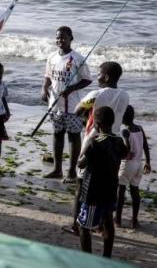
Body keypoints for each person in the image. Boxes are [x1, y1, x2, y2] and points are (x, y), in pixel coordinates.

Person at [65, 61, 129, 235]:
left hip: (94, 139)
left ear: (106, 76)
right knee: (107, 181)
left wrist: (89, 114)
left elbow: (77, 110)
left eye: (99, 73)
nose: (97, 76)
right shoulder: (125, 95)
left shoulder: (96, 94)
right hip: (114, 141)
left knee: (82, 184)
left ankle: (77, 225)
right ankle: (102, 223)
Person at [41, 26, 92, 180]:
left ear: (71, 38)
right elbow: (48, 76)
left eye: (63, 37)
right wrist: (44, 88)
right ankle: (57, 169)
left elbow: (87, 80)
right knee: (57, 135)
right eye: (58, 38)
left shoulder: (77, 58)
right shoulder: (52, 57)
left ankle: (71, 171)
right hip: (55, 104)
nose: (60, 40)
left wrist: (72, 88)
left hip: (73, 106)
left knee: (73, 136)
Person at [76, 107, 127, 258]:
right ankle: (107, 257)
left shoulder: (94, 143)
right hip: (111, 189)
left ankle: (88, 259)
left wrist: (85, 146)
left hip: (93, 192)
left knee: (84, 226)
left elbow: (81, 164)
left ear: (96, 124)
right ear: (112, 122)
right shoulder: (118, 141)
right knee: (108, 222)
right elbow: (125, 154)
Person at [116, 105, 151, 228]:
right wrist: (148, 162)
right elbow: (145, 146)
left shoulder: (125, 130)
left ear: (122, 118)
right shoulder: (139, 128)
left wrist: (123, 154)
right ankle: (134, 220)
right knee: (135, 192)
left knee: (121, 193)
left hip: (128, 165)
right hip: (139, 164)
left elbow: (127, 147)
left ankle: (118, 220)